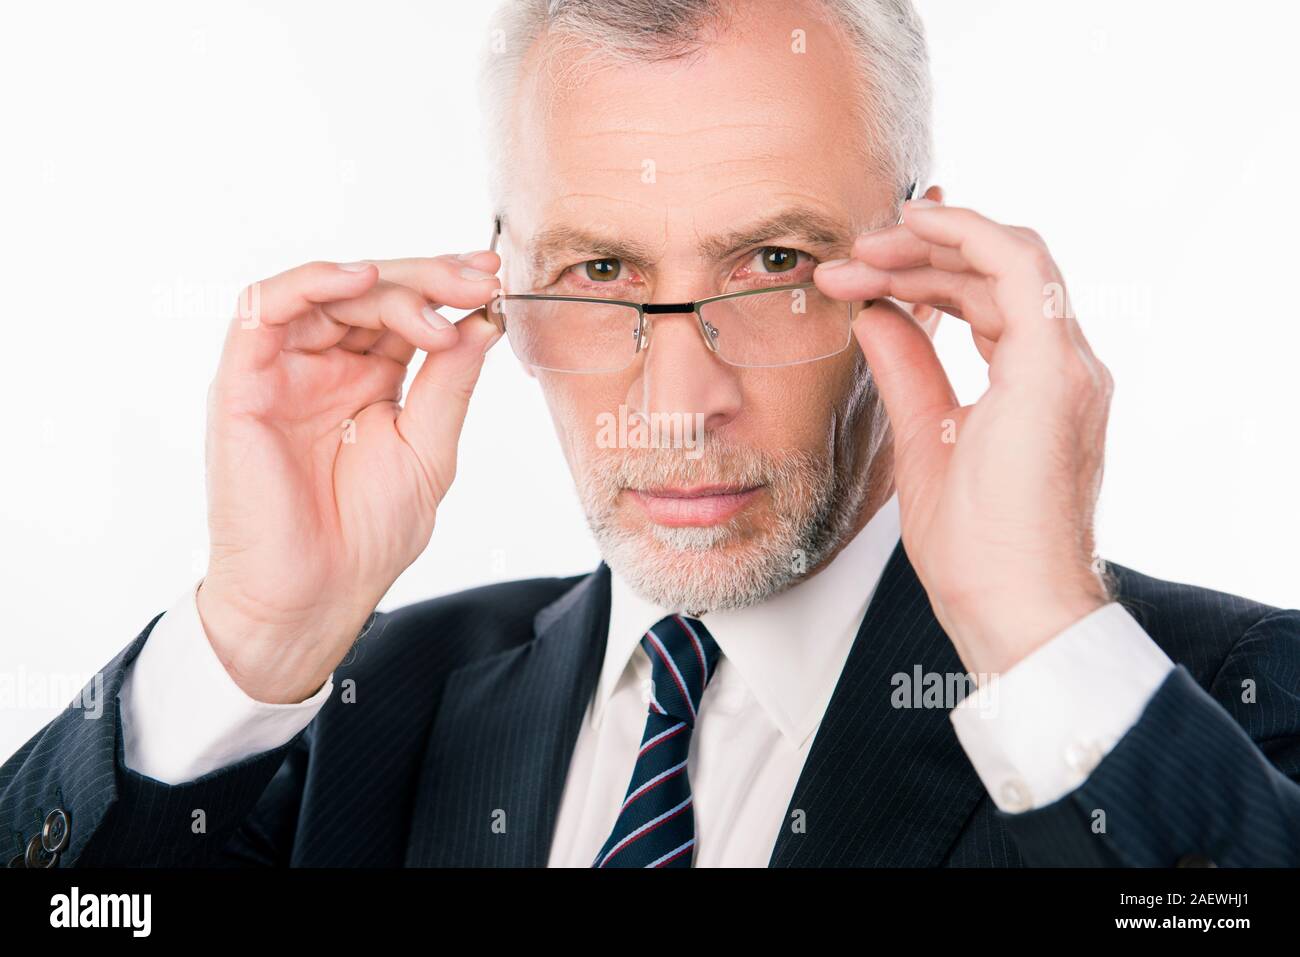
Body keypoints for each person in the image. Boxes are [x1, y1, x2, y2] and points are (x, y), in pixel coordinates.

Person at [3, 0, 1297, 869]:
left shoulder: (1231, 707)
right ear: (495, 281)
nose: (677, 398)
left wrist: (1046, 648)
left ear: (922, 267)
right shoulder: (347, 715)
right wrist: (251, 640)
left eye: (774, 260)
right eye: (603, 266)